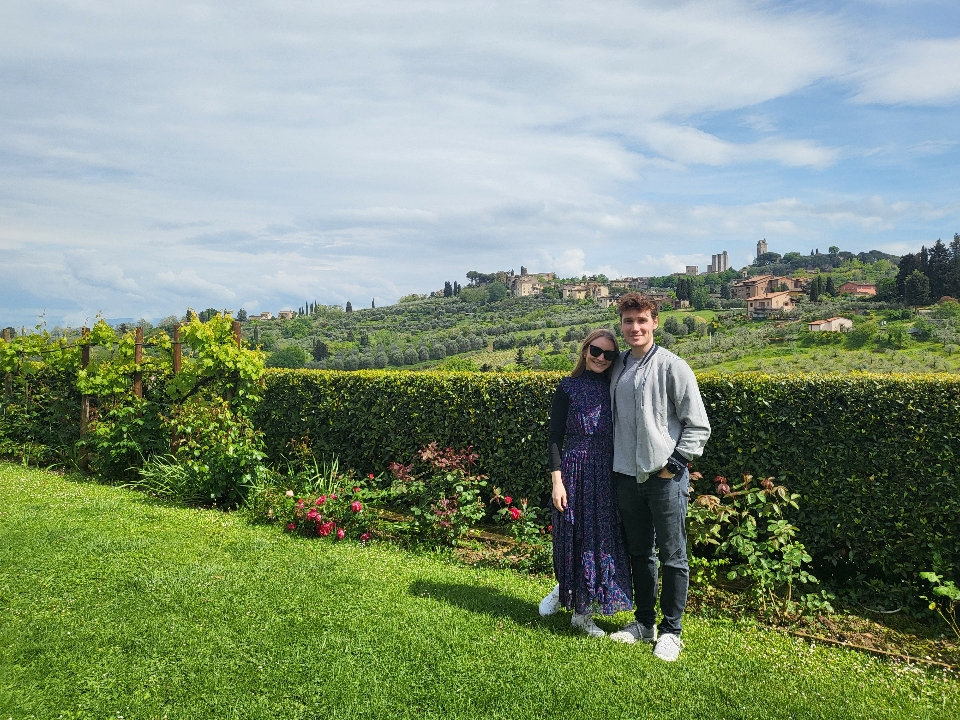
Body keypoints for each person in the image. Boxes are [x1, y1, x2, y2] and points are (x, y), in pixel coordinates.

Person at [607, 293, 711, 662]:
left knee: (673, 556)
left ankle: (671, 631)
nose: (634, 327)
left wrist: (674, 465)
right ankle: (644, 623)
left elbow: (697, 425)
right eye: (628, 321)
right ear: (621, 324)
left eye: (641, 320)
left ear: (654, 323)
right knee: (640, 554)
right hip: (626, 476)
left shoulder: (673, 366)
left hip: (664, 478)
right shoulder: (618, 365)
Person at [538, 329, 634, 637]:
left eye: (609, 354)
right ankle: (577, 609)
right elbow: (555, 437)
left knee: (601, 540)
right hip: (575, 470)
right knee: (577, 537)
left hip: (608, 471)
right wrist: (557, 482)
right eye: (596, 351)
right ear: (585, 351)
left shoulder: (616, 388)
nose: (601, 358)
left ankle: (576, 599)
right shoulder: (567, 387)